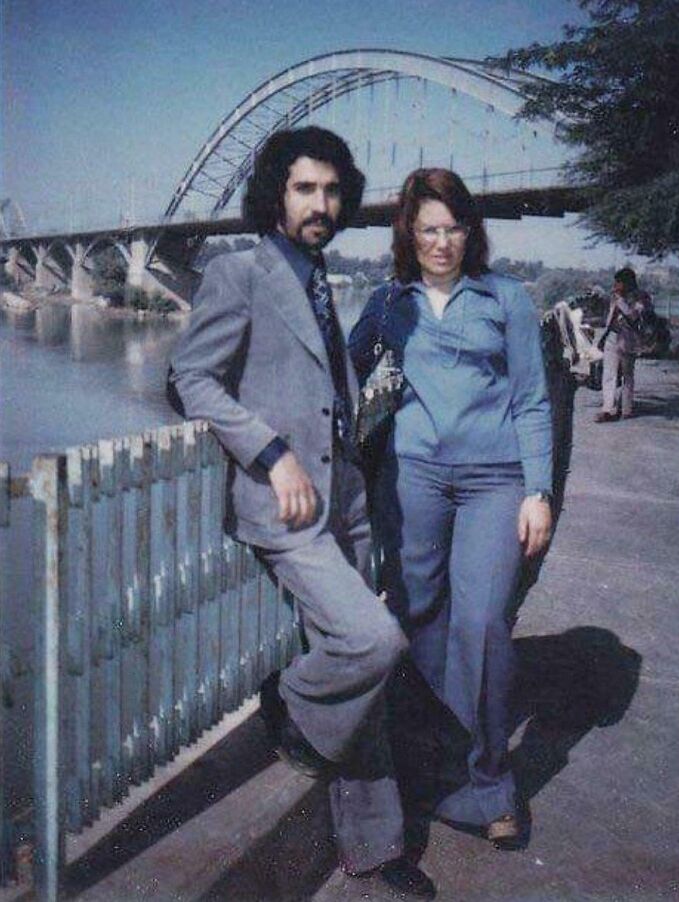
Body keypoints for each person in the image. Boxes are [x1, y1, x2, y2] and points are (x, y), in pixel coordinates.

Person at [168, 127, 435, 898]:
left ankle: (374, 846)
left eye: (331, 190)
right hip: (289, 504)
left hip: (344, 493)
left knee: (364, 677)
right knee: (372, 641)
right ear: (275, 195)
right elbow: (189, 378)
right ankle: (288, 702)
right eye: (304, 188)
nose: (321, 204)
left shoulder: (316, 275)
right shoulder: (239, 272)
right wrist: (271, 453)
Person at [349, 168, 553, 845]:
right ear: (409, 234)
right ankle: (436, 766)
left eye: (453, 228)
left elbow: (532, 399)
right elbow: (341, 371)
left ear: (471, 231)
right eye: (428, 229)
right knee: (417, 617)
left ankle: (490, 784)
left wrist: (538, 491)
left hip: (495, 481)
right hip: (414, 480)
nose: (441, 242)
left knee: (484, 623)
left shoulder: (505, 298)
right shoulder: (389, 301)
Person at [595, 266, 653, 422]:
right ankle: (608, 409)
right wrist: (603, 337)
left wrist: (620, 302)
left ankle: (626, 408)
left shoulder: (640, 297)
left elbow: (634, 316)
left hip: (629, 340)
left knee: (627, 375)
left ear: (627, 283)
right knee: (609, 374)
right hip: (612, 337)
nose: (615, 285)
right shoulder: (615, 296)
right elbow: (609, 318)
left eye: (618, 282)